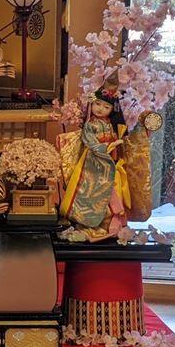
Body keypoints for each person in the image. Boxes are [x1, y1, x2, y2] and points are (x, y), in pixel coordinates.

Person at [58, 89, 131, 238]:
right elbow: (89, 141)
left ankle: (110, 223)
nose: (100, 109)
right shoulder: (90, 124)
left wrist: (115, 146)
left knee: (112, 189)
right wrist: (106, 147)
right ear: (92, 103)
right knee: (93, 191)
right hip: (93, 162)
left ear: (112, 110)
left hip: (109, 161)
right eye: (98, 104)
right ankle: (90, 222)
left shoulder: (110, 124)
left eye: (106, 107)